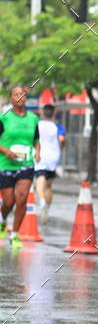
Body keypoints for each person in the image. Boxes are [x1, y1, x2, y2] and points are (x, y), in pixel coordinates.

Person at [0, 85, 41, 248]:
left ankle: (15, 235)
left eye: (22, 95)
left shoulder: (33, 118)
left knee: (22, 198)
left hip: (26, 164)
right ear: (11, 98)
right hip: (6, 164)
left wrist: (38, 153)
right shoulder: (4, 118)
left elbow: (36, 140)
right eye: (16, 94)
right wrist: (5, 150)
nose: (19, 97)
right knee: (9, 202)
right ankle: (3, 221)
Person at [34, 104, 66, 222]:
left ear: (43, 112)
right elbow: (62, 139)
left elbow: (33, 139)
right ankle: (46, 208)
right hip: (53, 157)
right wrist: (61, 146)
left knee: (39, 181)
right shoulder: (57, 126)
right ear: (53, 113)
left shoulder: (37, 125)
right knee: (48, 185)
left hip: (40, 155)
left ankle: (42, 202)